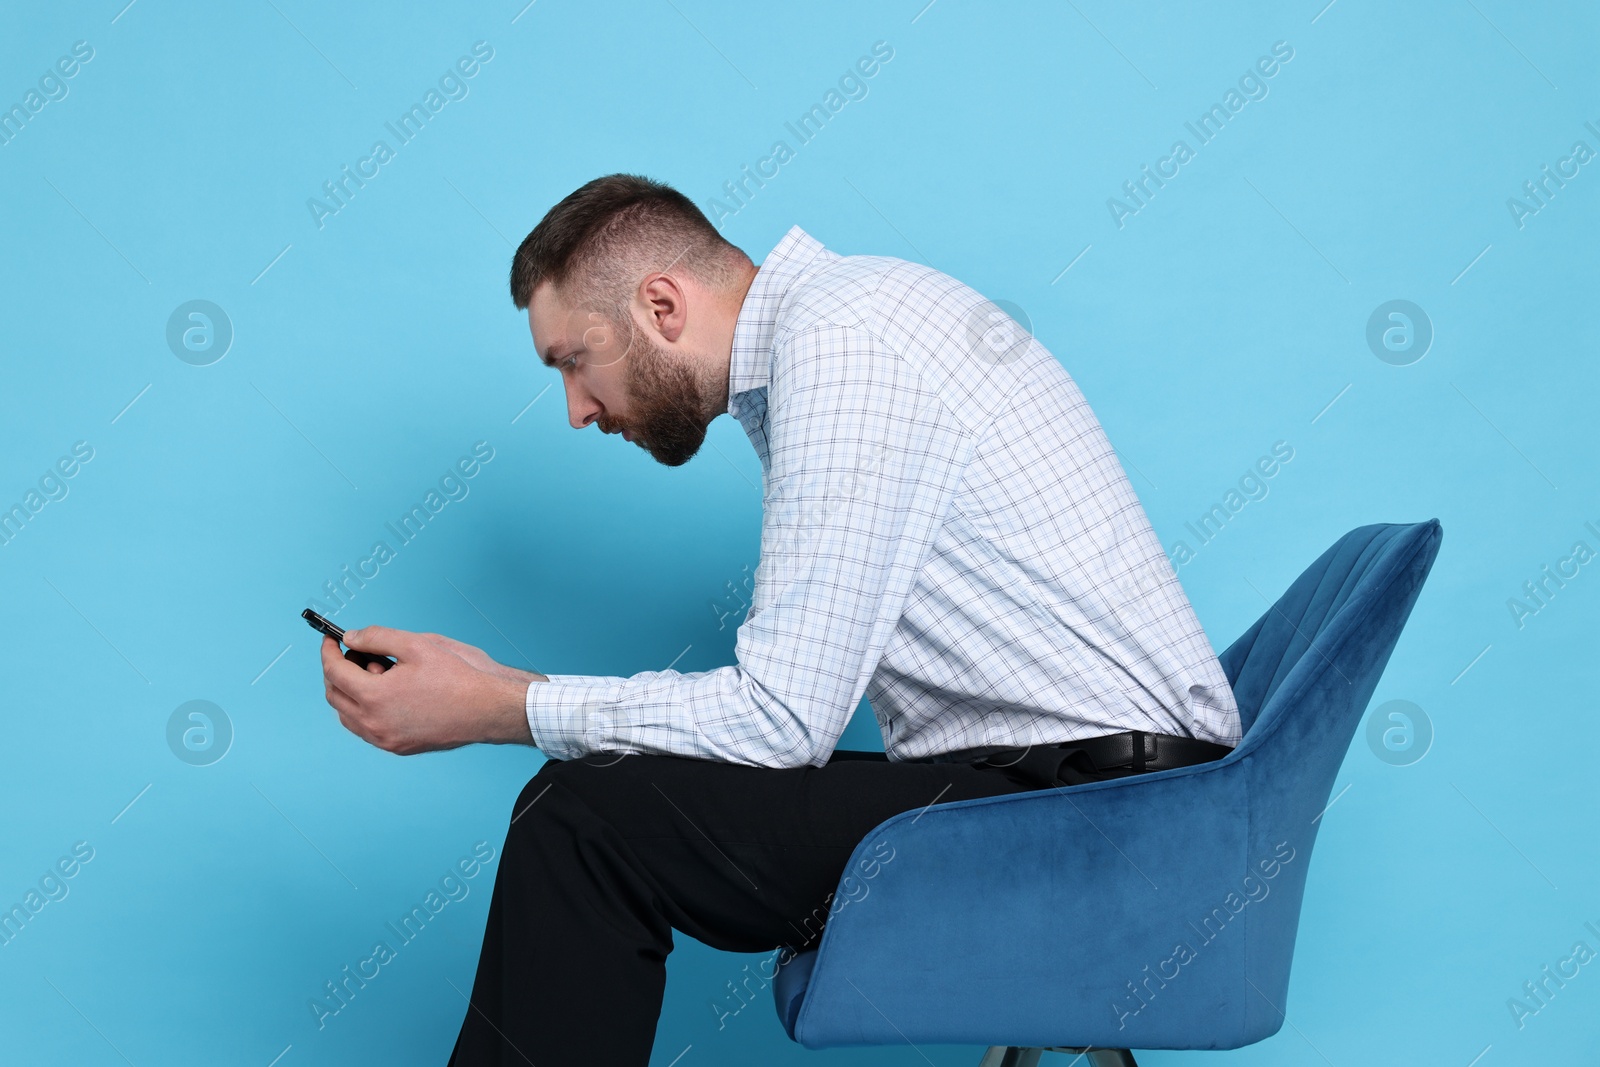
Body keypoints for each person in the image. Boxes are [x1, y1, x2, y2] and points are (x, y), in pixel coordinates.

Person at [317, 173, 1242, 1065]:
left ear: (660, 306)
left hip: (1108, 820)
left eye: (573, 362)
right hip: (1080, 793)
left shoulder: (844, 343)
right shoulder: (840, 328)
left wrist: (501, 705)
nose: (576, 409)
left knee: (583, 818)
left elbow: (782, 721)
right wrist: (506, 693)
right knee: (582, 808)